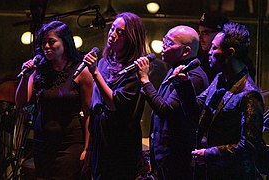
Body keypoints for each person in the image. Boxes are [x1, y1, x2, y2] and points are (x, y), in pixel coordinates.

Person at [172, 22, 264, 179]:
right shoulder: (219, 79)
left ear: (230, 53)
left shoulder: (249, 94)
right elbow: (196, 111)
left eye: (214, 48)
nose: (209, 52)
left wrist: (209, 154)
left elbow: (248, 146)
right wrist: (184, 84)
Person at [15, 21, 93, 179]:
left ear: (65, 42)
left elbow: (89, 112)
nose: (46, 46)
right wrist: (25, 76)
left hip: (69, 143)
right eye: (43, 43)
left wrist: (87, 149)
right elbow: (21, 102)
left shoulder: (80, 71)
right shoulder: (39, 70)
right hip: (43, 142)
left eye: (51, 42)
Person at [134, 25, 209, 179]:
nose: (164, 46)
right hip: (163, 160)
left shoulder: (193, 76)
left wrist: (145, 80)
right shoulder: (175, 68)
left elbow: (165, 110)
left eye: (169, 43)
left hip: (176, 161)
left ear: (186, 51)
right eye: (164, 41)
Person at [83, 12, 147, 179]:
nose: (112, 35)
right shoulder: (105, 62)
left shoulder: (134, 71)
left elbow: (114, 104)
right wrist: (88, 148)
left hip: (119, 143)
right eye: (112, 29)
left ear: (131, 38)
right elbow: (94, 106)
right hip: (100, 139)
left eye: (120, 33)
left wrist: (95, 73)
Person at [197, 12, 228, 83]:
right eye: (199, 32)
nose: (200, 37)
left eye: (205, 33)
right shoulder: (200, 56)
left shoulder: (229, 63)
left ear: (221, 34)